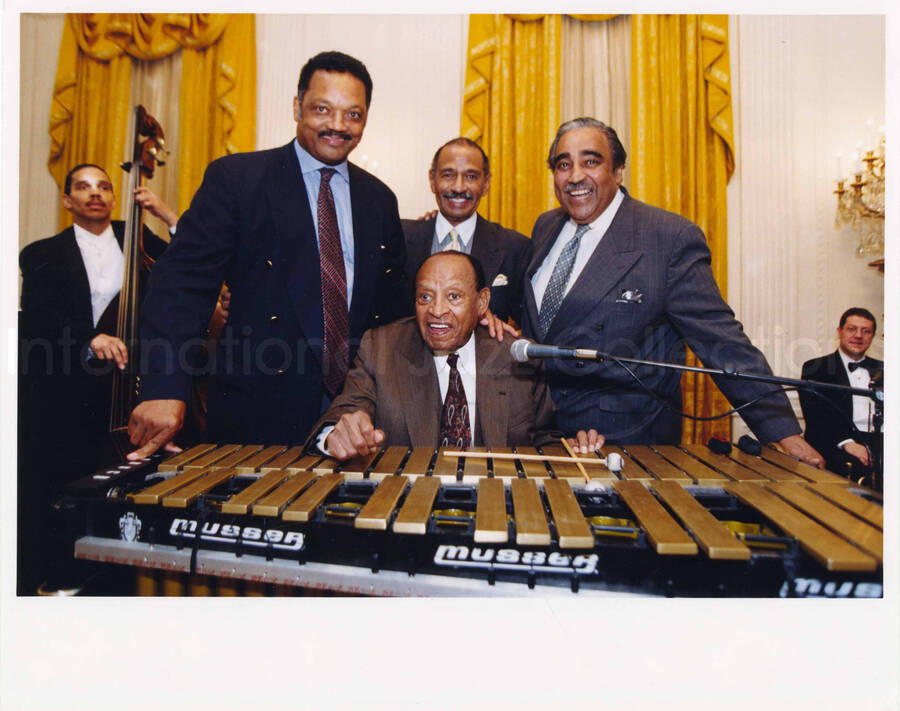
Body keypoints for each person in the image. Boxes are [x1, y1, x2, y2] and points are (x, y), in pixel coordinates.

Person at [127, 51, 408, 456]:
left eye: (353, 115)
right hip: (254, 419)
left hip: (354, 420)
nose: (337, 125)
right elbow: (180, 287)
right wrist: (164, 387)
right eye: (322, 109)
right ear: (297, 107)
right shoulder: (238, 180)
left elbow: (393, 310)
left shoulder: (379, 200)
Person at [519, 117, 822, 466]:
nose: (575, 176)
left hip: (627, 449)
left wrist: (782, 431)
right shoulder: (546, 226)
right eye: (563, 164)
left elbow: (721, 340)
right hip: (539, 437)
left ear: (618, 170)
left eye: (591, 161)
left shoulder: (668, 237)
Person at [18, 164, 176, 592]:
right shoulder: (40, 252)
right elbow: (40, 318)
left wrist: (162, 212)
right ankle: (57, 577)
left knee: (121, 492)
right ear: (67, 200)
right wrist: (89, 338)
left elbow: (189, 262)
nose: (96, 194)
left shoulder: (135, 236)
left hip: (127, 385)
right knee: (63, 485)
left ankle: (115, 581)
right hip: (66, 386)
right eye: (83, 188)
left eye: (104, 186)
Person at [306, 251, 603, 461]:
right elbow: (341, 416)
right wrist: (337, 435)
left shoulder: (517, 356)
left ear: (481, 301)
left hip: (496, 506)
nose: (436, 311)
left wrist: (575, 450)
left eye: (454, 296)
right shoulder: (381, 347)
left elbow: (543, 441)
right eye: (425, 297)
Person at [402, 137, 532, 325]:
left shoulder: (515, 247)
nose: (458, 187)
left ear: (486, 183)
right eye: (448, 175)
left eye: (471, 176)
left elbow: (527, 326)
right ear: (432, 180)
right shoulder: (401, 239)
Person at [799, 308, 883, 480]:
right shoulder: (816, 368)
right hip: (837, 445)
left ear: (872, 336)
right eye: (852, 329)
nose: (858, 336)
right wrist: (847, 443)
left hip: (879, 443)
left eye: (866, 331)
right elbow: (816, 416)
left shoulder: (886, 369)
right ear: (840, 331)